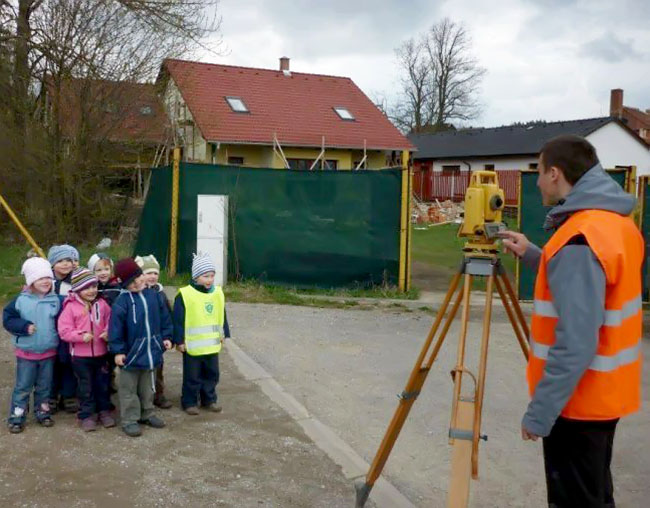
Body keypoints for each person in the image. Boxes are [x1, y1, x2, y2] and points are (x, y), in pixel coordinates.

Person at [500, 135, 643, 508]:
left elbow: (576, 341)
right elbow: (593, 284)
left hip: (577, 403)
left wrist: (540, 413)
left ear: (555, 173)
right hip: (603, 395)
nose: (535, 182)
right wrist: (534, 254)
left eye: (538, 172)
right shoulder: (614, 224)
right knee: (595, 495)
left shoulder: (579, 239)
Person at [108, 258, 173, 437]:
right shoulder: (122, 302)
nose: (137, 284)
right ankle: (129, 419)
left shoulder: (155, 296)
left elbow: (165, 318)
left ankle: (147, 413)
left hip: (151, 351)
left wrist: (167, 337)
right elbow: (115, 329)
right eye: (131, 282)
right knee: (128, 389)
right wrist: (118, 351)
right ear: (123, 284)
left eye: (138, 278)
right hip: (130, 355)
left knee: (148, 387)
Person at [3, 257, 61, 433]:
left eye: (48, 278)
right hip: (26, 354)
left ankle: (42, 412)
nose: (45, 282)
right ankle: (17, 415)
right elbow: (8, 319)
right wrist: (23, 326)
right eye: (40, 278)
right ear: (30, 281)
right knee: (23, 386)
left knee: (45, 386)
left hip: (49, 352)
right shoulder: (20, 300)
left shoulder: (56, 300)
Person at [58, 268, 115, 431]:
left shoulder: (102, 304)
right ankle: (87, 414)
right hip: (80, 356)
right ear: (77, 289)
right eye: (86, 287)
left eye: (93, 286)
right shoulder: (70, 307)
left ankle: (104, 411)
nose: (91, 291)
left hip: (101, 353)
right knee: (86, 386)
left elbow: (111, 321)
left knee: (103, 384)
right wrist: (80, 336)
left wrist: (107, 332)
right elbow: (64, 330)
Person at [173, 253, 230, 415]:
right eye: (206, 276)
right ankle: (189, 401)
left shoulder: (217, 293)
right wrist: (179, 341)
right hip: (192, 346)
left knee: (212, 374)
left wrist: (223, 333)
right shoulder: (185, 295)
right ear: (196, 276)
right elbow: (178, 320)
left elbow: (221, 315)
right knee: (192, 376)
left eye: (212, 276)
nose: (210, 280)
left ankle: (209, 399)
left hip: (211, 345)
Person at [135, 254, 173, 409]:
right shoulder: (134, 293)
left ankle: (158, 394)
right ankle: (140, 397)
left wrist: (168, 336)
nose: (152, 276)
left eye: (155, 273)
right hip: (139, 340)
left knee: (158, 368)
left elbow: (167, 318)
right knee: (139, 371)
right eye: (148, 273)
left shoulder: (160, 294)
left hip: (156, 340)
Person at [48, 244, 78, 414]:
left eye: (68, 260)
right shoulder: (46, 281)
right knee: (52, 363)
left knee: (68, 362)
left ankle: (69, 395)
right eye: (60, 261)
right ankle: (51, 395)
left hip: (69, 330)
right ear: (52, 264)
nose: (66, 264)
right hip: (51, 329)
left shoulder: (74, 281)